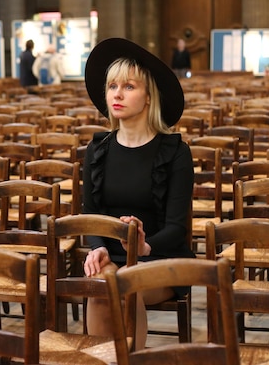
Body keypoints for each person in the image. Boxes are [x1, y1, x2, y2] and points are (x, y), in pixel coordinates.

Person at [81, 38, 194, 350]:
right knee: (103, 285)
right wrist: (97, 248)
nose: (117, 94)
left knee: (125, 286)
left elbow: (176, 227)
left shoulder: (175, 152)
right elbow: (90, 216)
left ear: (148, 97)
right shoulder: (97, 150)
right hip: (111, 256)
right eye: (112, 86)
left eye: (129, 86)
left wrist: (144, 245)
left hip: (159, 257)